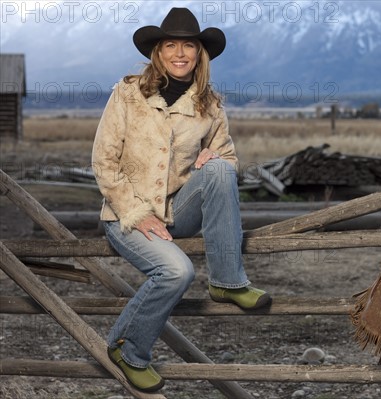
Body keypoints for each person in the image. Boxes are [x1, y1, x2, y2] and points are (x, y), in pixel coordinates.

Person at [92, 7, 271, 392]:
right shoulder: (127, 94)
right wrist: (136, 213)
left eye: (188, 45)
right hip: (127, 215)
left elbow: (231, 162)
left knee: (220, 169)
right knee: (176, 272)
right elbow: (103, 162)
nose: (179, 53)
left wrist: (214, 160)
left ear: (199, 54)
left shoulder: (210, 105)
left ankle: (228, 280)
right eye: (170, 44)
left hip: (179, 211)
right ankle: (128, 347)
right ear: (158, 52)